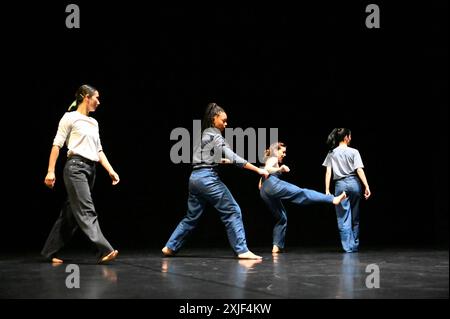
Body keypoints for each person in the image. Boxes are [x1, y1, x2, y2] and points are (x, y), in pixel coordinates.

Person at [162, 102, 269, 259]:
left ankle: (170, 247)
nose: (226, 124)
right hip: (207, 179)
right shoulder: (214, 135)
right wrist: (258, 169)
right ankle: (242, 250)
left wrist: (226, 161)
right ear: (214, 118)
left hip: (194, 179)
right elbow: (233, 156)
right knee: (232, 210)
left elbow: (211, 159)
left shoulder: (203, 135)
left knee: (191, 217)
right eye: (223, 120)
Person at [41, 84, 119, 264]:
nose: (99, 102)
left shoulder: (94, 122)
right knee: (86, 209)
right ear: (86, 96)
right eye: (96, 98)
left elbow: (99, 151)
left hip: (90, 170)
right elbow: (57, 145)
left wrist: (111, 170)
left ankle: (48, 251)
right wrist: (50, 171)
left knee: (70, 215)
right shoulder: (70, 118)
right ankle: (104, 250)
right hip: (75, 169)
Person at [259, 142, 347, 253]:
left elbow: (261, 183)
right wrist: (279, 169)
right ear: (276, 151)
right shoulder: (273, 159)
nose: (284, 155)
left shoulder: (269, 159)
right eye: (283, 152)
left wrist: (265, 183)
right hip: (273, 185)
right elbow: (267, 168)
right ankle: (333, 199)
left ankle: (276, 247)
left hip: (264, 192)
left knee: (282, 218)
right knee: (302, 193)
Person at [322, 128, 371, 253]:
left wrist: (327, 189)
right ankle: (354, 245)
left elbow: (328, 172)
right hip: (354, 183)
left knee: (343, 218)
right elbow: (359, 169)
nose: (351, 138)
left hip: (340, 185)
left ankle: (347, 247)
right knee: (355, 216)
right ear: (346, 137)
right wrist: (367, 186)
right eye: (350, 136)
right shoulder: (354, 151)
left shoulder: (331, 152)